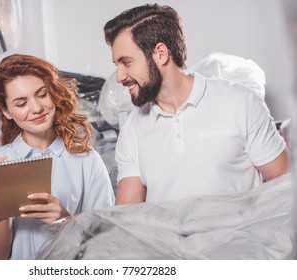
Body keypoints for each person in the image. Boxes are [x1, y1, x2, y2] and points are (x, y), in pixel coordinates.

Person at [103, 3, 290, 205]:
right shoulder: (133, 128)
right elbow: (126, 217)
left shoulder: (240, 102)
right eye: (117, 65)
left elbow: (286, 183)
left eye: (126, 62)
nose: (119, 77)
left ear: (160, 54)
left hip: (238, 237)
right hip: (167, 237)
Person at [0, 54, 115, 260]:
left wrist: (65, 220)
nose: (36, 108)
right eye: (21, 103)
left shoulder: (86, 159)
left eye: (42, 94)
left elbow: (105, 243)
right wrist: (2, 197)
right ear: (6, 111)